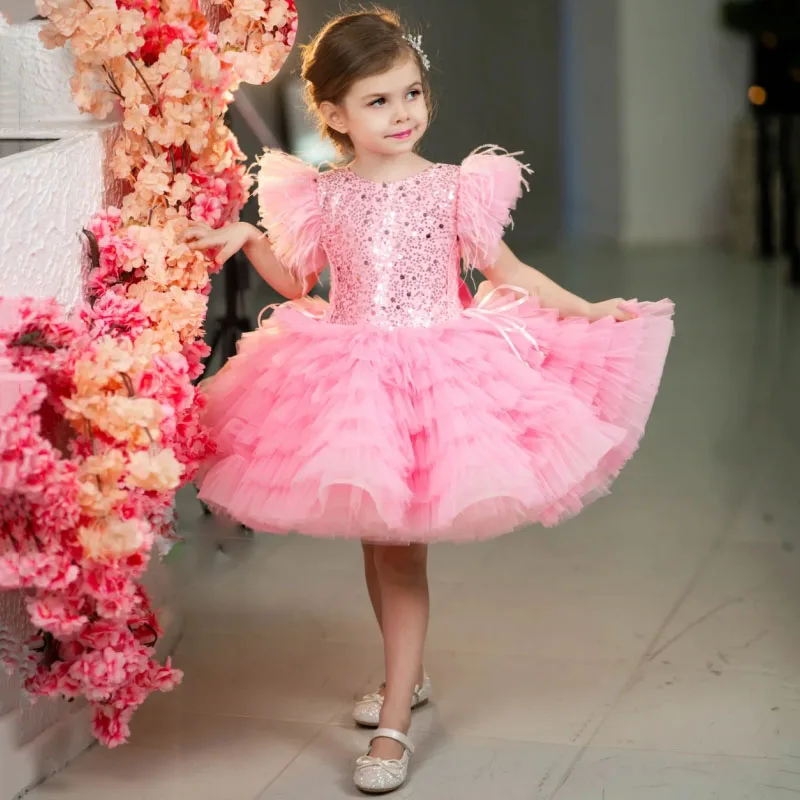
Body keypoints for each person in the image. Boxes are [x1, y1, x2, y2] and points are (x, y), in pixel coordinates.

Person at [186, 9, 674, 794]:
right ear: (335, 114)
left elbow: (506, 272)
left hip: (433, 377)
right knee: (381, 542)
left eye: (411, 93)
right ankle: (402, 677)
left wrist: (584, 310)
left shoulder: (453, 188)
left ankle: (395, 725)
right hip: (350, 381)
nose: (404, 112)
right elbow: (301, 284)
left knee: (401, 548)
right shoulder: (324, 194)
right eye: (379, 101)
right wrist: (248, 239)